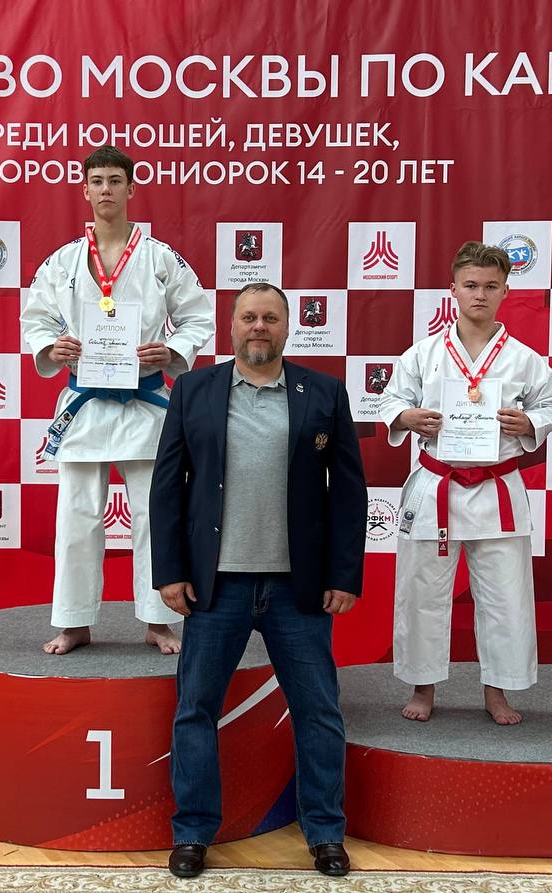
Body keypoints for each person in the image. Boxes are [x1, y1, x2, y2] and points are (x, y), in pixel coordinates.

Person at [151, 283, 367, 878]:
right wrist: (169, 571)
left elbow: (349, 493)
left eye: (270, 317)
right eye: (249, 316)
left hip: (299, 588)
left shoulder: (323, 392)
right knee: (195, 711)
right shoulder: (193, 390)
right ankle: (193, 832)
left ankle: (325, 832)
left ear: (287, 327)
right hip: (214, 586)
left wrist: (344, 574)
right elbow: (167, 486)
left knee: (318, 712)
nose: (259, 327)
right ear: (232, 325)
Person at [21, 146, 213, 655]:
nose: (105, 189)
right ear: (85, 191)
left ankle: (158, 619)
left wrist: (171, 350)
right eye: (97, 181)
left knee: (154, 515)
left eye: (114, 180)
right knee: (77, 517)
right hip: (85, 402)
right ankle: (74, 621)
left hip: (145, 403)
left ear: (131, 188)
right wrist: (52, 347)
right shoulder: (62, 260)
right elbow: (35, 318)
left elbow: (198, 316)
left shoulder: (160, 258)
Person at [379, 242, 552, 724]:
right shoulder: (424, 353)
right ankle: (423, 687)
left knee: (504, 595)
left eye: (491, 286)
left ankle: (497, 691)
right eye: (471, 285)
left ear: (506, 291)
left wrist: (530, 423)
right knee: (422, 592)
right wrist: (407, 416)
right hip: (436, 484)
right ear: (453, 289)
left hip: (497, 487)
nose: (480, 294)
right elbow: (391, 399)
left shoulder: (524, 359)